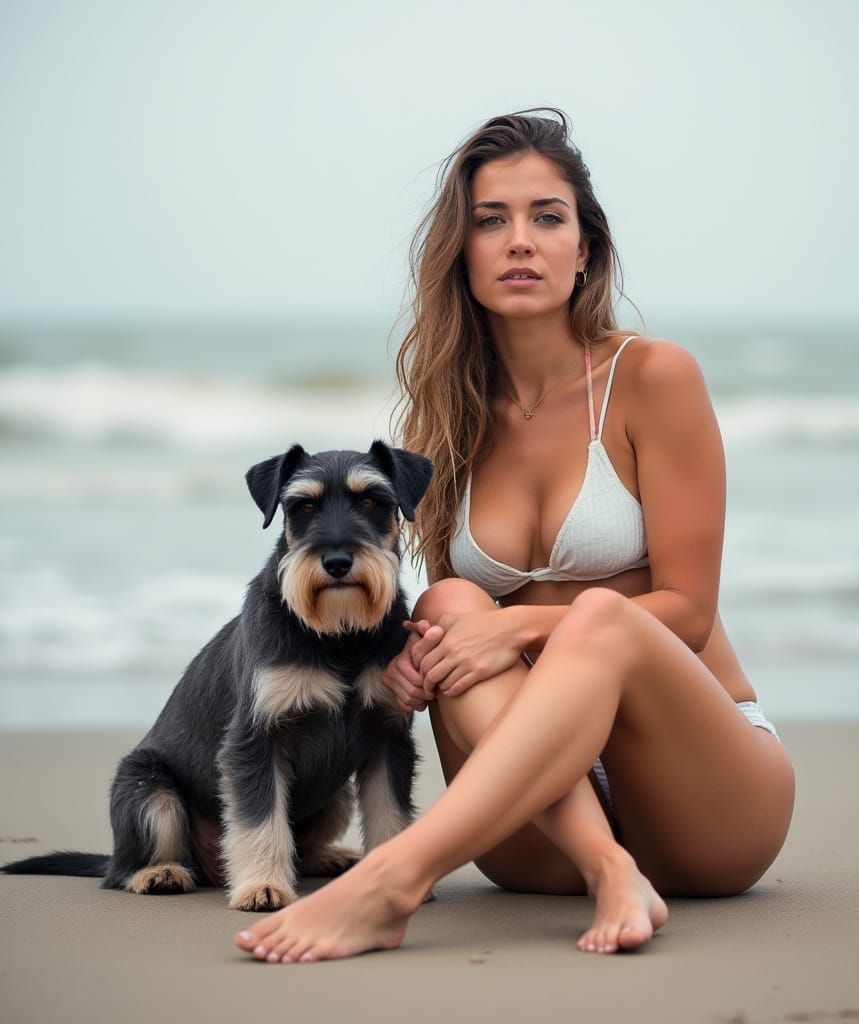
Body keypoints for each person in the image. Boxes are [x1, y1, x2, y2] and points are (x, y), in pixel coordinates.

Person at [235, 109, 795, 963]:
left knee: (597, 618)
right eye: (491, 221)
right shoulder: (448, 420)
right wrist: (418, 656)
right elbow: (461, 637)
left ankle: (390, 885)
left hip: (706, 795)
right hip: (539, 820)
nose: (520, 241)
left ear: (587, 249)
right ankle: (610, 868)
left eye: (547, 217)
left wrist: (525, 624)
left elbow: (685, 610)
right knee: (449, 600)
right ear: (460, 253)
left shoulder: (652, 377)